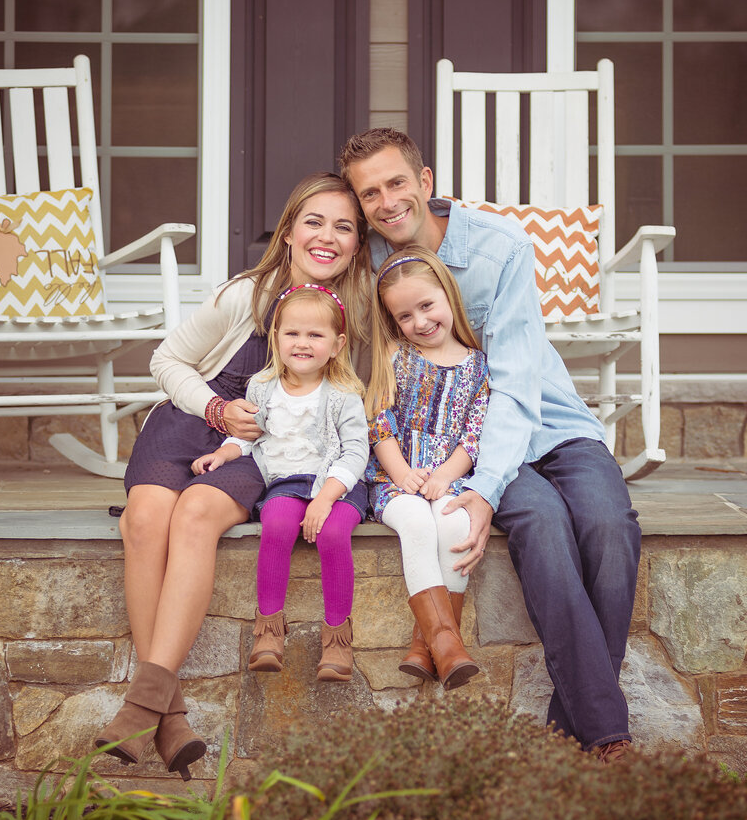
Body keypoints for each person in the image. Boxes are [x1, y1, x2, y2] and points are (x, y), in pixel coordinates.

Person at [340, 129, 642, 763]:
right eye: (371, 194)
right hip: (467, 444)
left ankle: (575, 721)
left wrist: (482, 489)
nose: (388, 202)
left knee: (610, 524)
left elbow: (512, 384)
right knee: (542, 524)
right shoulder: (365, 261)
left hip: (545, 420)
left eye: (397, 183)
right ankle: (608, 738)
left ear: (425, 183)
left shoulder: (499, 247)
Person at [95, 173, 372, 778]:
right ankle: (165, 715)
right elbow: (165, 359)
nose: (327, 237)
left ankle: (142, 706)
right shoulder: (244, 295)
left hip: (255, 451)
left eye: (344, 227)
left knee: (194, 515)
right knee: (145, 520)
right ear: (290, 229)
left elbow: (358, 401)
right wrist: (215, 409)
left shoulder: (362, 312)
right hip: (189, 422)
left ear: (357, 243)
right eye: (314, 222)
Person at [191, 283, 369, 682]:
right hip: (287, 481)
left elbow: (356, 453)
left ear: (337, 344)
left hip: (338, 484)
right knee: (276, 524)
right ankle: (269, 631)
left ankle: (337, 638)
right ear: (276, 338)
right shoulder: (263, 387)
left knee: (333, 533)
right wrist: (224, 453)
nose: (302, 343)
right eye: (292, 333)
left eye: (315, 335)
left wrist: (325, 498)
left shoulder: (343, 395)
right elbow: (248, 434)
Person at [365, 247, 489, 690]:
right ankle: (447, 643)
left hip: (450, 478)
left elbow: (474, 436)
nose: (419, 321)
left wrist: (443, 476)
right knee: (417, 523)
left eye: (426, 306)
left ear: (448, 296)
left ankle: (427, 648)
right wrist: (402, 474)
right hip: (394, 481)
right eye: (404, 316)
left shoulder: (478, 367)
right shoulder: (395, 357)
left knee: (455, 525)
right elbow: (380, 422)